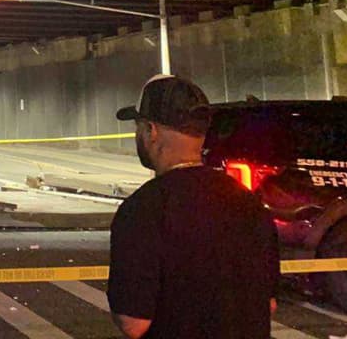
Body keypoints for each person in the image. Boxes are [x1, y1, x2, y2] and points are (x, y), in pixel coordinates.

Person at [108, 75, 279, 339]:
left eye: (138, 126)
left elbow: (134, 323)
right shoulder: (250, 203)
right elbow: (268, 304)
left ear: (151, 131)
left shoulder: (142, 210)